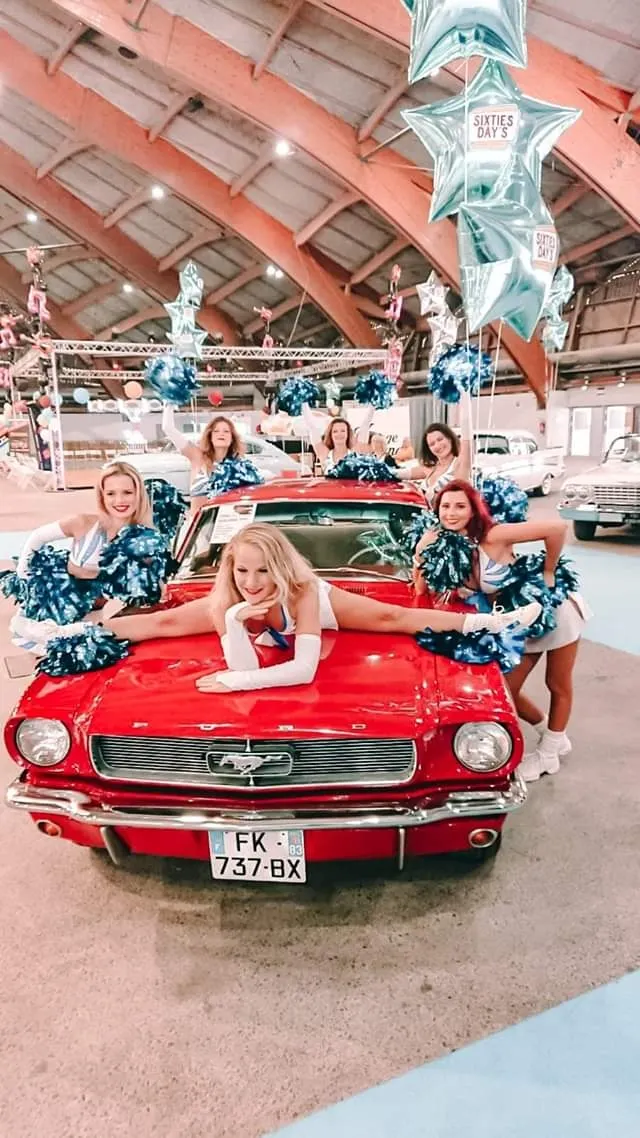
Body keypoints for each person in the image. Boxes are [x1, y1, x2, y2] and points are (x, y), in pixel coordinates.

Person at [98, 522, 541, 693]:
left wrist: (236, 684)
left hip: (322, 605)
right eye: (242, 572)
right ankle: (76, 634)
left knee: (394, 619)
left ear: (279, 568)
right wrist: (234, 621)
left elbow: (302, 669)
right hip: (237, 617)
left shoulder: (302, 589)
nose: (251, 584)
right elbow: (162, 622)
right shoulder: (229, 597)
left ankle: (492, 619)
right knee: (169, 622)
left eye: (263, 572)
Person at [414, 480, 588, 782]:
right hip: (514, 620)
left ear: (473, 510)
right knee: (506, 690)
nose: (451, 513)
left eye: (460, 506)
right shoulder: (445, 544)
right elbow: (422, 587)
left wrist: (548, 571)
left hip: (552, 609)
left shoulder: (493, 535)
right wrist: (421, 551)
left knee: (557, 683)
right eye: (445, 506)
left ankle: (549, 756)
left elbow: (557, 529)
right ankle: (552, 734)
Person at [8, 462, 153, 650]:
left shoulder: (143, 539)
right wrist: (24, 578)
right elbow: (38, 537)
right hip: (49, 615)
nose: (119, 500)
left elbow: (145, 590)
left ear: (139, 494)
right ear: (102, 496)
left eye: (127, 492)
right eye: (111, 493)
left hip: (88, 621)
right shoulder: (84, 523)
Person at [397, 395, 472, 506]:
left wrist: (464, 394)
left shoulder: (459, 465)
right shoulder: (429, 468)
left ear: (450, 439)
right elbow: (396, 474)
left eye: (440, 439)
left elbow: (467, 435)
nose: (437, 446)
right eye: (432, 444)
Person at [161, 405, 245, 504]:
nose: (221, 434)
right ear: (210, 436)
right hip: (199, 518)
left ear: (232, 438)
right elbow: (168, 428)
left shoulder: (238, 466)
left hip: (227, 518)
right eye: (216, 431)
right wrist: (170, 403)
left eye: (226, 431)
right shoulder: (197, 456)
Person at [301, 405, 374, 473]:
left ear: (348, 434)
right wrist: (303, 402)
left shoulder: (356, 453)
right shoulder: (325, 454)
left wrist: (374, 402)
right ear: (331, 434)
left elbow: (366, 424)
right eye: (335, 431)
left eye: (343, 431)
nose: (339, 434)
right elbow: (311, 426)